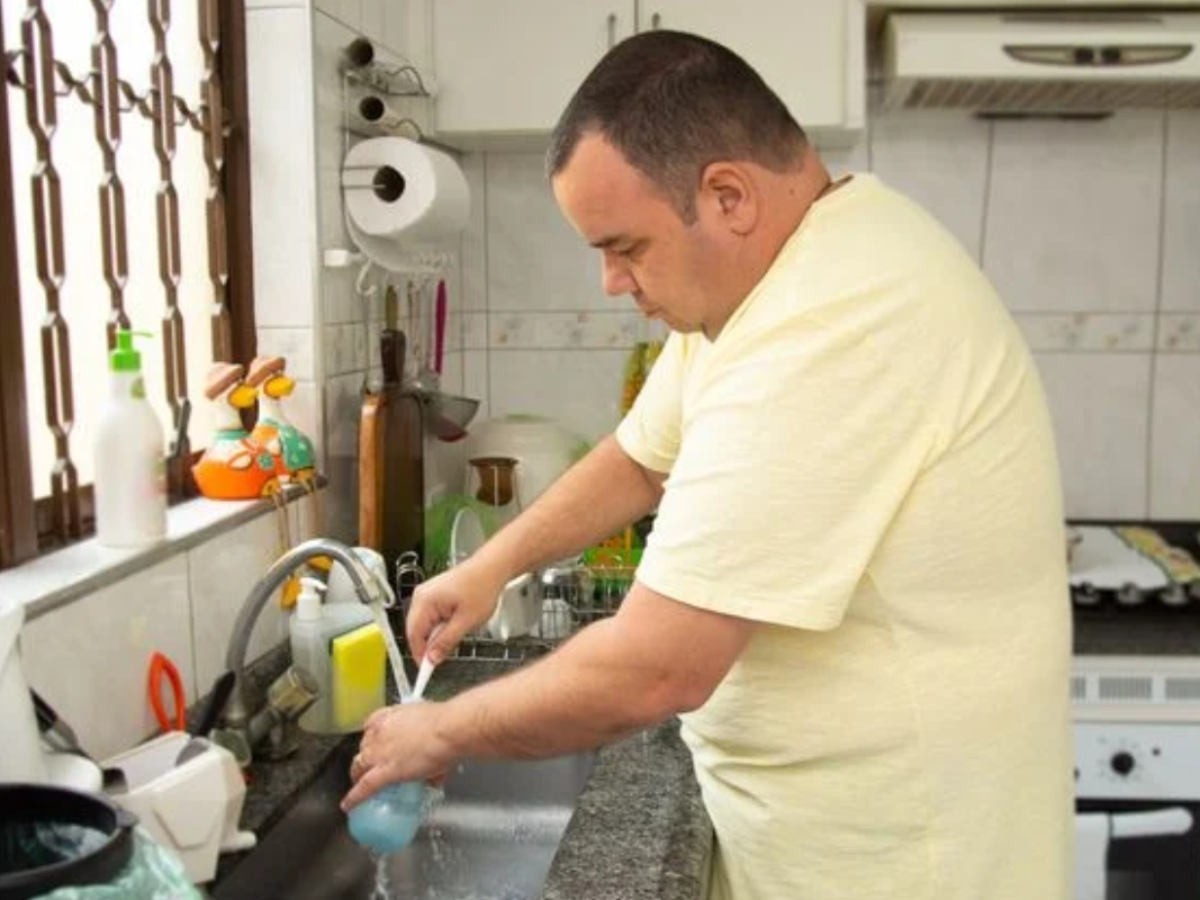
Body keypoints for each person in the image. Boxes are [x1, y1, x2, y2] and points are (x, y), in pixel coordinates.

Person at [341, 29, 1073, 900]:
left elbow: (657, 667)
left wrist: (441, 731)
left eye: (626, 247)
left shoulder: (826, 327)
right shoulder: (775, 275)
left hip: (903, 866)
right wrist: (493, 566)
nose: (612, 282)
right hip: (813, 842)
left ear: (728, 196)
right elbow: (641, 459)